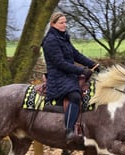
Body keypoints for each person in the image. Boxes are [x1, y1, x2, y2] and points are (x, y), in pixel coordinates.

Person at [41, 12, 100, 144]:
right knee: (75, 96)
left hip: (68, 74)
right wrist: (82, 70)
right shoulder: (50, 41)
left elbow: (75, 54)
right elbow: (60, 63)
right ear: (53, 24)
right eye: (61, 23)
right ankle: (68, 130)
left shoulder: (63, 37)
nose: (64, 25)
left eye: (65, 22)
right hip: (58, 77)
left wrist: (93, 65)